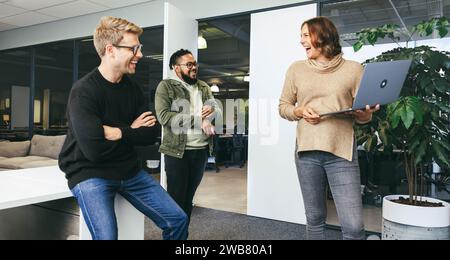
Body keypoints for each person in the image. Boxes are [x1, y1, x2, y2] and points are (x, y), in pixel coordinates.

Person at [58, 16, 188, 240]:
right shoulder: (83, 92)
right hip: (89, 172)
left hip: (128, 170)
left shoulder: (133, 89)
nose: (139, 54)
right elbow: (94, 151)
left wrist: (116, 131)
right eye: (134, 48)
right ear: (111, 50)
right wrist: (131, 130)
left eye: (140, 48)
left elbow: (150, 134)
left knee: (177, 219)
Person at [279, 16, 379, 240]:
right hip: (306, 152)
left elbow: (364, 116)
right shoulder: (296, 69)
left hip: (341, 153)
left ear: (321, 36)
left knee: (353, 227)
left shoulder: (353, 69)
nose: (301, 41)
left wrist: (364, 114)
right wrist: (300, 111)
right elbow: (283, 107)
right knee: (314, 220)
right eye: (301, 36)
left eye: (306, 35)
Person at [155, 49, 220, 223]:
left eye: (194, 64)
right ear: (177, 68)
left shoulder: (203, 86)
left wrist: (212, 111)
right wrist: (199, 120)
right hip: (177, 152)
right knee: (176, 200)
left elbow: (216, 109)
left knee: (188, 199)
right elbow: (164, 117)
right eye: (188, 64)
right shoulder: (166, 86)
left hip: (200, 151)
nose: (194, 67)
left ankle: (182, 237)